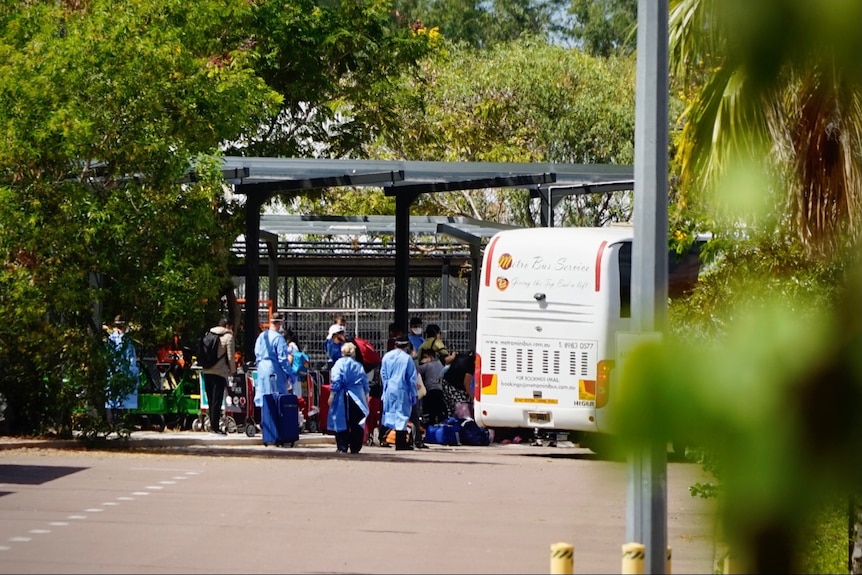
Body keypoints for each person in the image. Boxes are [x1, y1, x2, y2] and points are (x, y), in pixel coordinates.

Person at [327, 342, 370, 454]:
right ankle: (355, 447)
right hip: (357, 396)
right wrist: (366, 394)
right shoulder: (358, 365)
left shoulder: (338, 364)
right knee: (357, 421)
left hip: (342, 396)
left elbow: (336, 380)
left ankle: (342, 446)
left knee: (341, 421)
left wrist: (332, 395)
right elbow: (364, 381)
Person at [380, 333, 418, 450]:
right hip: (402, 389)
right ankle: (400, 443)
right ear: (407, 346)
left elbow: (383, 374)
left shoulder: (386, 356)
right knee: (402, 415)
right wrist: (413, 394)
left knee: (389, 413)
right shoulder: (407, 359)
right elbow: (411, 379)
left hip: (389, 388)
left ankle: (383, 438)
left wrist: (386, 386)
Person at [202, 318, 237, 435]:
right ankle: (215, 428)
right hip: (219, 372)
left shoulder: (209, 335)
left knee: (211, 400)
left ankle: (211, 426)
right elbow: (231, 356)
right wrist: (233, 371)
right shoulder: (228, 337)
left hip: (206, 371)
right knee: (217, 400)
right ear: (227, 326)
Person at [253, 313, 292, 408]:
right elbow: (282, 359)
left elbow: (257, 354)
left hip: (262, 370)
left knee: (264, 399)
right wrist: (289, 373)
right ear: (279, 323)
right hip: (274, 371)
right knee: (276, 400)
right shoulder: (279, 338)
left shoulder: (262, 336)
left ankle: (265, 422)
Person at [105, 314, 140, 417]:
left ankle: (113, 419)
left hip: (113, 373)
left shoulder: (110, 340)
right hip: (124, 373)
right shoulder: (127, 341)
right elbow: (131, 359)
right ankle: (120, 419)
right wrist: (133, 374)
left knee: (112, 397)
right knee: (124, 398)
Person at [418, 347, 447, 425]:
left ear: (430, 357)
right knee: (439, 410)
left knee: (431, 412)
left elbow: (416, 370)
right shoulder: (440, 364)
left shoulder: (428, 365)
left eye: (425, 357)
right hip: (440, 390)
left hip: (431, 390)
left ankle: (431, 427)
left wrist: (420, 362)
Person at [442, 350, 476, 418]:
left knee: (451, 406)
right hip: (452, 386)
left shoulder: (463, 356)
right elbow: (466, 383)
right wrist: (473, 397)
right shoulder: (471, 365)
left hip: (446, 381)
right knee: (459, 405)